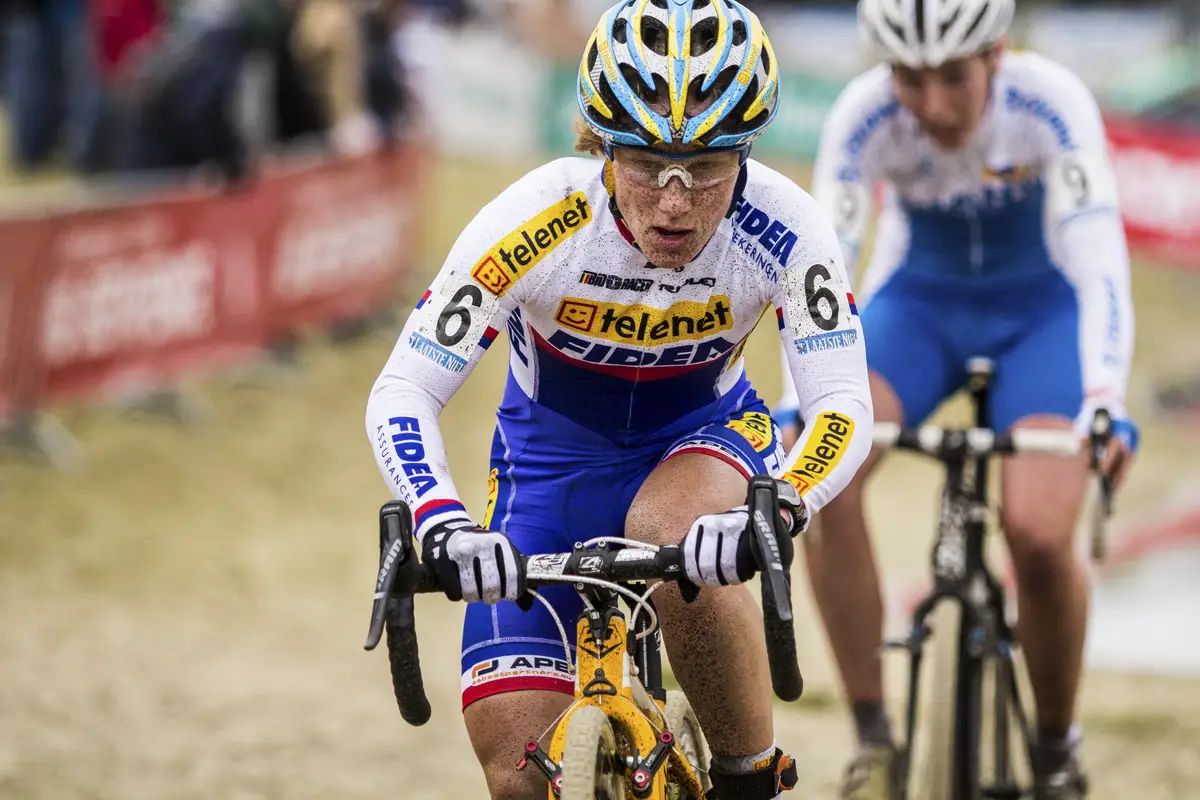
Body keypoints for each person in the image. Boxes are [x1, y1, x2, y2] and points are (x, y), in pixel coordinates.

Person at [366, 1, 874, 797]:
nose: (674, 202)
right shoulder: (537, 219)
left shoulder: (786, 226)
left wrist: (776, 510)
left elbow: (841, 402)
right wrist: (442, 522)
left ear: (746, 152)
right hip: (546, 471)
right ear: (602, 144)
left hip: (702, 441)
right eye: (645, 165)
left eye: (706, 169)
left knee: (672, 530)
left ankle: (747, 778)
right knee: (519, 782)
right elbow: (405, 387)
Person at [772, 1, 1139, 798]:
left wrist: (1104, 397)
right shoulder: (865, 114)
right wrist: (796, 400)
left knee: (1040, 537)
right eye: (910, 78)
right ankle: (874, 739)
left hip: (1041, 316)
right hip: (921, 308)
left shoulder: (1050, 101)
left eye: (954, 79)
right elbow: (827, 267)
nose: (933, 105)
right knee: (824, 476)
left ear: (997, 55)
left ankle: (1053, 748)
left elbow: (1099, 259)